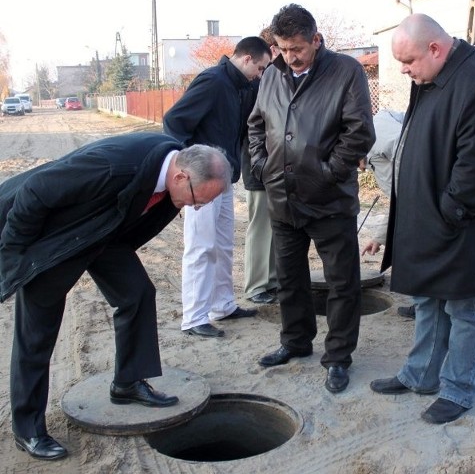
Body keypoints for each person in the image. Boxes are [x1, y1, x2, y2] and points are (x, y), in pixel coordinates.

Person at [0, 132, 231, 460]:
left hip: (100, 231)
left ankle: (128, 383)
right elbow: (36, 191)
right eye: (197, 199)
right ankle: (27, 428)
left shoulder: (171, 173)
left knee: (137, 293)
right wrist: (12, 253)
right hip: (51, 235)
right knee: (36, 333)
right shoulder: (114, 166)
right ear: (181, 176)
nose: (196, 207)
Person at [369, 14, 475, 424]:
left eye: (409, 61)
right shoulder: (432, 77)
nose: (403, 70)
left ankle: (459, 389)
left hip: (466, 225)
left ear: (435, 49)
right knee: (428, 300)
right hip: (430, 217)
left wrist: (448, 214)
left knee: (465, 309)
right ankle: (420, 375)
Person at [248, 4, 375, 393]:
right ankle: (295, 341)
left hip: (329, 199)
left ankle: (337, 356)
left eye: (296, 49)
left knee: (341, 282)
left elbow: (359, 132)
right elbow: (256, 125)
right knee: (290, 278)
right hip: (282, 198)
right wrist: (261, 164)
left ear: (316, 40)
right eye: (283, 49)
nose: (290, 57)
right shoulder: (272, 75)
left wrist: (327, 172)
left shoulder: (345, 72)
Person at [163, 37, 272, 337]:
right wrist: (188, 170)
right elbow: (173, 122)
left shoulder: (242, 87)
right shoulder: (212, 81)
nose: (260, 75)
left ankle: (223, 305)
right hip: (202, 182)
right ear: (247, 58)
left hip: (225, 180)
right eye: (261, 68)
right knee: (201, 247)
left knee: (223, 245)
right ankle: (194, 317)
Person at [359, 109, 416, 319]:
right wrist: (380, 238)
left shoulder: (377, 135)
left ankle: (425, 303)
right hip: (414, 199)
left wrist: (379, 237)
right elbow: (397, 197)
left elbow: (406, 150)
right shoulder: (374, 145)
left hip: (422, 199)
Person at [240, 27, 281, 305]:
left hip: (277, 168)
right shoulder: (256, 83)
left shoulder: (274, 79)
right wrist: (260, 164)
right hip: (258, 168)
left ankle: (274, 281)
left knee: (277, 227)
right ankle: (256, 285)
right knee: (260, 227)